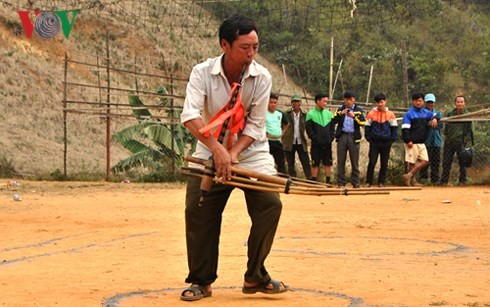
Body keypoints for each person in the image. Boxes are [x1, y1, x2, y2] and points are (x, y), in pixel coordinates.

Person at [179, 14, 289, 301]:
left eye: (255, 47)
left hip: (250, 153)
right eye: (244, 48)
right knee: (198, 209)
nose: (251, 54)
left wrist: (233, 154)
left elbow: (255, 126)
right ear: (225, 45)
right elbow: (190, 115)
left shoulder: (262, 77)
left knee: (270, 205)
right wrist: (217, 150)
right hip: (209, 148)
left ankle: (256, 275)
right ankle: (201, 281)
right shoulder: (202, 72)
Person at [401, 92, 439, 186]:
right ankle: (412, 181)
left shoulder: (425, 113)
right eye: (416, 101)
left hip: (421, 142)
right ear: (413, 102)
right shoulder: (409, 114)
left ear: (423, 102)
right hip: (412, 142)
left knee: (425, 160)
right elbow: (405, 129)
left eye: (420, 101)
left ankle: (409, 175)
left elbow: (435, 114)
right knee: (412, 162)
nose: (418, 103)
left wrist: (435, 119)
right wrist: (408, 140)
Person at [332, 90, 365, 188]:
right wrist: (340, 114)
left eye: (350, 99)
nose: (349, 102)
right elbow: (333, 121)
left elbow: (363, 123)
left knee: (354, 161)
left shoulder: (359, 110)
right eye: (347, 100)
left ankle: (355, 182)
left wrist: (354, 117)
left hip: (353, 137)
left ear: (354, 100)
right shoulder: (340, 109)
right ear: (344, 100)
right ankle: (341, 182)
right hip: (342, 136)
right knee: (340, 161)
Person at [364, 93, 398, 187]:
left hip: (386, 142)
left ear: (385, 102)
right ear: (376, 103)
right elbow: (367, 127)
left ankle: (381, 182)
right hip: (374, 142)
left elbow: (394, 128)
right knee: (372, 162)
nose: (380, 104)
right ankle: (368, 181)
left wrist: (391, 140)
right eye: (378, 102)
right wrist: (369, 138)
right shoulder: (371, 113)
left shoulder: (390, 114)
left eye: (382, 102)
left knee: (384, 163)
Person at [440, 95, 474, 186]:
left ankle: (462, 181)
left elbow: (468, 130)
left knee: (463, 162)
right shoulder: (450, 113)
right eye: (458, 102)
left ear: (464, 103)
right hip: (450, 141)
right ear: (455, 103)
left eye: (461, 102)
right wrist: (446, 136)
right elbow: (446, 126)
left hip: (461, 142)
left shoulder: (467, 114)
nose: (459, 104)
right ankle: (444, 181)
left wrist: (465, 141)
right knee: (446, 162)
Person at [305, 93, 334, 183]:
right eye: (324, 101)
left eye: (326, 101)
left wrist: (331, 138)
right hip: (316, 144)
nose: (326, 103)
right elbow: (309, 130)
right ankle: (314, 181)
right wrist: (315, 139)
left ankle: (328, 181)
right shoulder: (310, 114)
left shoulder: (329, 114)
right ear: (318, 101)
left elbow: (332, 128)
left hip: (327, 143)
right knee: (315, 163)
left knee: (327, 163)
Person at [282, 94, 312, 179]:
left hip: (301, 141)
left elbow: (308, 127)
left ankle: (309, 179)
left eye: (297, 101)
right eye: (294, 101)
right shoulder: (286, 114)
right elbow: (282, 126)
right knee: (290, 162)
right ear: (291, 103)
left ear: (300, 103)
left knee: (305, 161)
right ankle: (292, 179)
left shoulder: (305, 115)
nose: (296, 103)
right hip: (289, 141)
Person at [419, 93, 444, 184]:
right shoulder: (422, 112)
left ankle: (435, 179)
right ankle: (423, 178)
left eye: (432, 102)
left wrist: (434, 121)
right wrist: (428, 123)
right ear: (425, 103)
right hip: (426, 141)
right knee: (425, 160)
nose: (430, 104)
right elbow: (421, 124)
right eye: (428, 102)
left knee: (436, 161)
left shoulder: (438, 113)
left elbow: (442, 124)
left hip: (436, 141)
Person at [266, 93, 289, 174]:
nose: (273, 104)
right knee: (266, 161)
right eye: (271, 102)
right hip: (266, 141)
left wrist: (282, 134)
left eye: (274, 103)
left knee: (281, 162)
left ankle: (283, 180)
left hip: (277, 141)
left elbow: (287, 124)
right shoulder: (263, 113)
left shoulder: (280, 113)